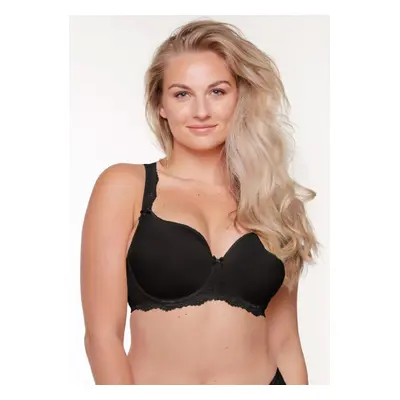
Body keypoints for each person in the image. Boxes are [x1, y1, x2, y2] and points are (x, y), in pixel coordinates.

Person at [80, 18, 319, 385]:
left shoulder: (273, 201)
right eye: (182, 94)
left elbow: (286, 342)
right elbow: (102, 338)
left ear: (240, 97)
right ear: (160, 104)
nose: (201, 111)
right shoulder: (125, 187)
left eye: (217, 91)